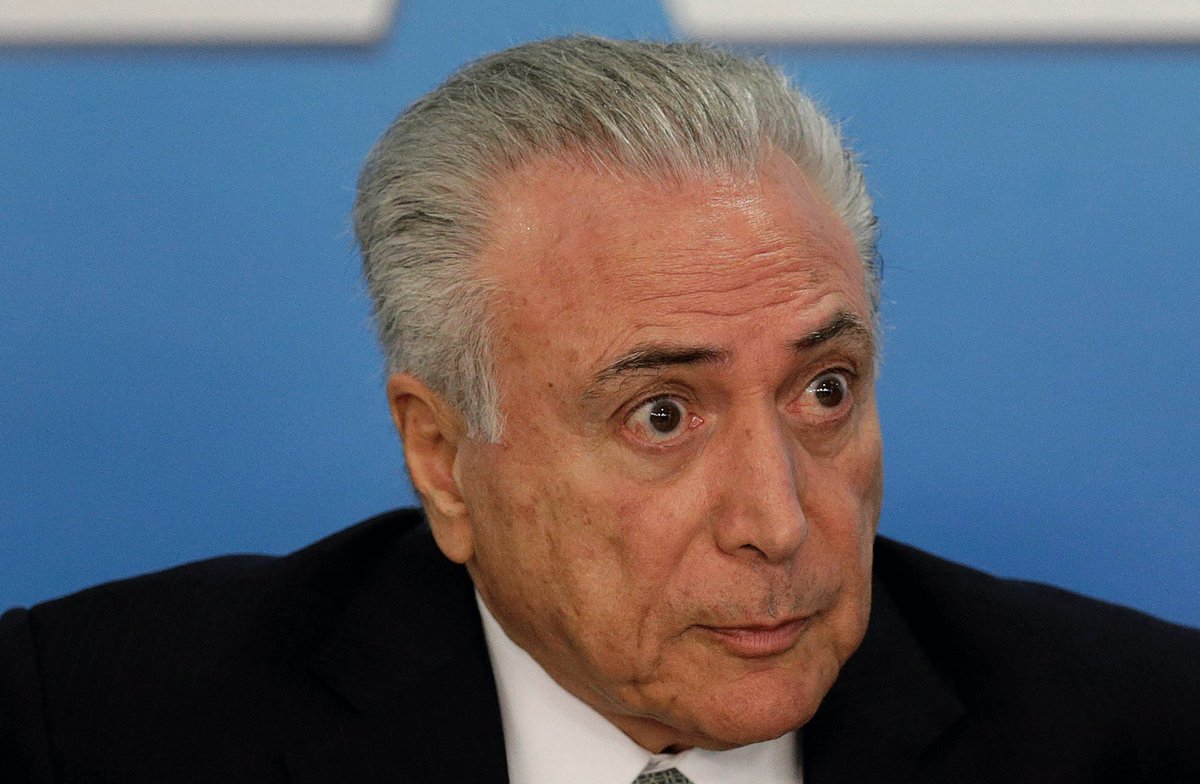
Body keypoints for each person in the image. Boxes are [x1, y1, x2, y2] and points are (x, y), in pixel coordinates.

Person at [1, 36, 1197, 784]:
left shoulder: (1142, 731)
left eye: (824, 391)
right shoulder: (90, 726)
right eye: (661, 416)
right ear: (443, 457)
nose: (778, 522)